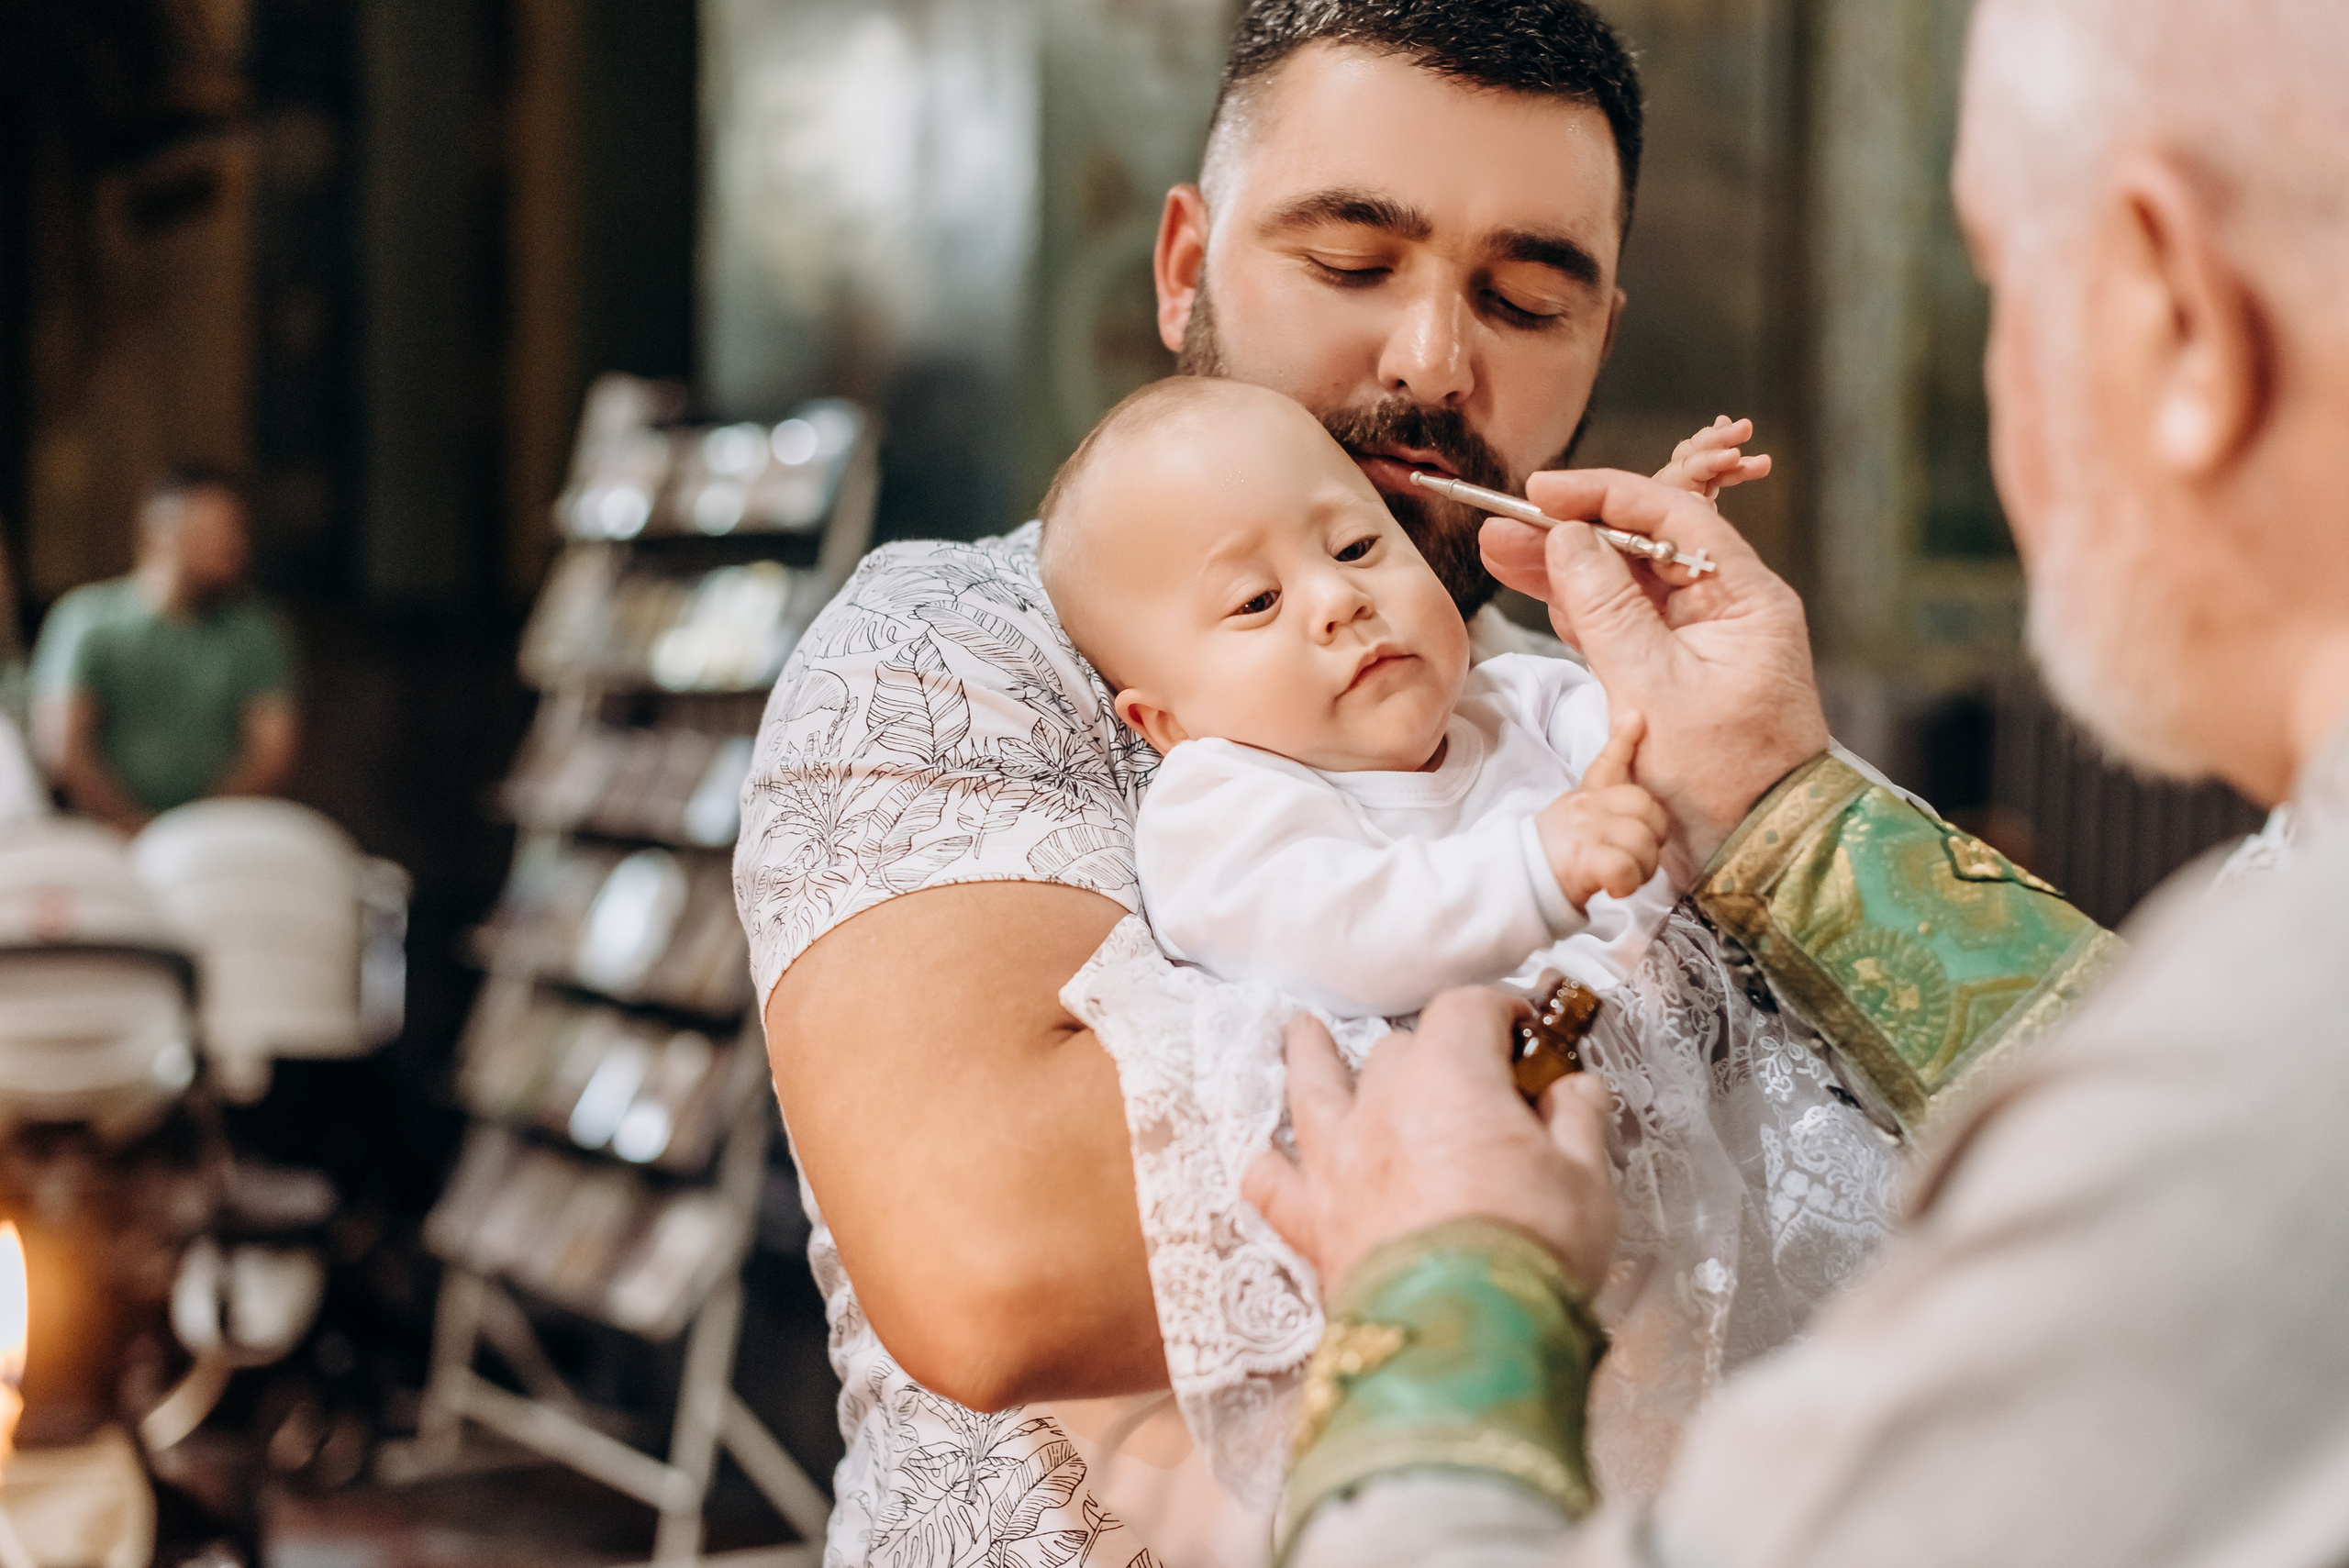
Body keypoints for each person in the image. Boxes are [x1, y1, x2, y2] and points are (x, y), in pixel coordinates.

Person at [732, 4, 2101, 1562]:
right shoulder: (955, 650)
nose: (1434, 361)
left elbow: (2113, 1154)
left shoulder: (1595, 701)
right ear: (1184, 266)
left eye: (1526, 299)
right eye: (1351, 264)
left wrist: (1776, 792)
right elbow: (1003, 1262)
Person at [1248, 0, 2349, 1562]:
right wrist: (1775, 800)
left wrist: (1443, 1284)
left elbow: (2211, 1139)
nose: (1431, 357)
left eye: (2001, 288)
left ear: (2177, 314)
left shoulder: (2251, 1074)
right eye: (1352, 265)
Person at [1041, 375, 1676, 1014]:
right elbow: (1335, 935)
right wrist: (1535, 871)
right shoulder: (1221, 805)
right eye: (1258, 601)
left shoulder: (1525, 699)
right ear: (1168, 723)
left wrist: (1664, 616)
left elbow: (1684, 751)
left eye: (1355, 546)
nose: (1339, 599)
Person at [31, 466, 298, 834]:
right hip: (103, 834)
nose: (234, 544)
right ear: (160, 534)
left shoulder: (255, 630)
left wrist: (193, 831)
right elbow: (61, 747)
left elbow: (270, 753)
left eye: (237, 529)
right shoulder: (87, 619)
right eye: (215, 530)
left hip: (220, 836)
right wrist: (130, 826)